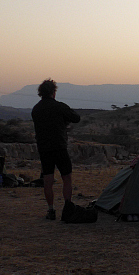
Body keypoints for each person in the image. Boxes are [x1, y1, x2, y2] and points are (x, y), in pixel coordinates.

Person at [31, 79, 80, 220]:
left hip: (44, 148)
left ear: (40, 93)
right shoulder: (59, 107)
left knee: (48, 179)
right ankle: (68, 207)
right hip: (59, 146)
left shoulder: (36, 109)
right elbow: (76, 118)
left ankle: (51, 210)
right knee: (67, 177)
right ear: (54, 92)